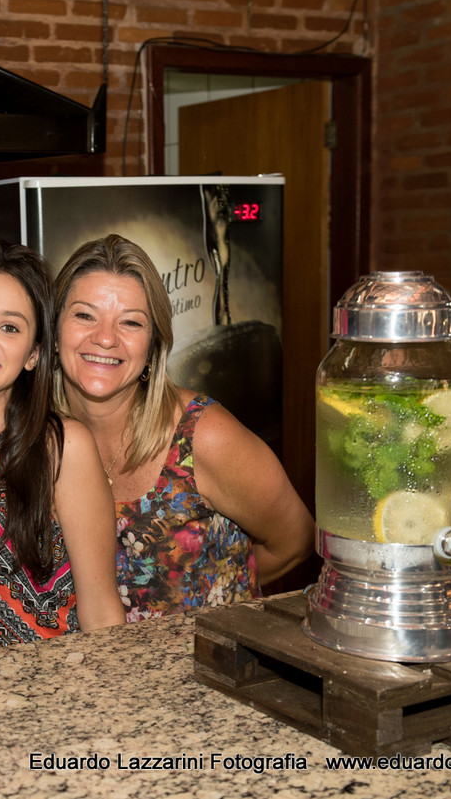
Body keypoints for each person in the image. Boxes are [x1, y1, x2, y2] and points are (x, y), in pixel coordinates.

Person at [52, 234, 312, 622]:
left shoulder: (203, 436)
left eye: (131, 322)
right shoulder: (36, 438)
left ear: (153, 346)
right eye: (85, 315)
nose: (105, 338)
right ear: (54, 332)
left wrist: (217, 594)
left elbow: (295, 540)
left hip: (207, 656)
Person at [0, 241, 126, 655]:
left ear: (34, 354)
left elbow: (102, 613)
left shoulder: (60, 448)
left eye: (9, 327)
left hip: (59, 688)